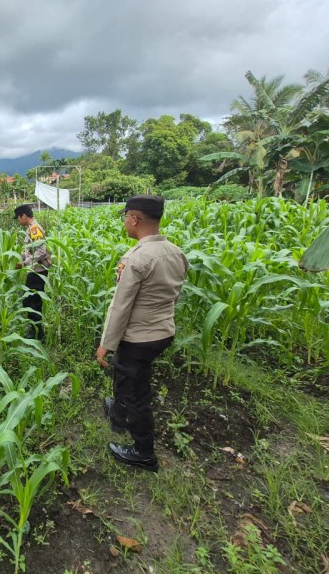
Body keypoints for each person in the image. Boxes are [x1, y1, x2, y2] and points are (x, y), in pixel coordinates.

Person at [95, 195, 188, 472]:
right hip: (162, 332)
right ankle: (119, 411)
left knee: (136, 392)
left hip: (138, 337)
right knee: (132, 377)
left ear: (134, 219)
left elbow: (120, 307)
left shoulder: (136, 258)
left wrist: (105, 345)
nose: (125, 222)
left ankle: (143, 452)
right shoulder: (176, 252)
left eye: (126, 217)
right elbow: (174, 295)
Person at [13, 204, 52, 340]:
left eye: (18, 218)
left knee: (30, 301)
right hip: (35, 270)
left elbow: (41, 251)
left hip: (38, 271)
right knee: (32, 300)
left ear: (24, 216)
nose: (18, 221)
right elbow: (30, 250)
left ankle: (37, 332)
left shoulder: (34, 229)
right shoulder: (30, 228)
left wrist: (24, 263)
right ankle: (36, 330)